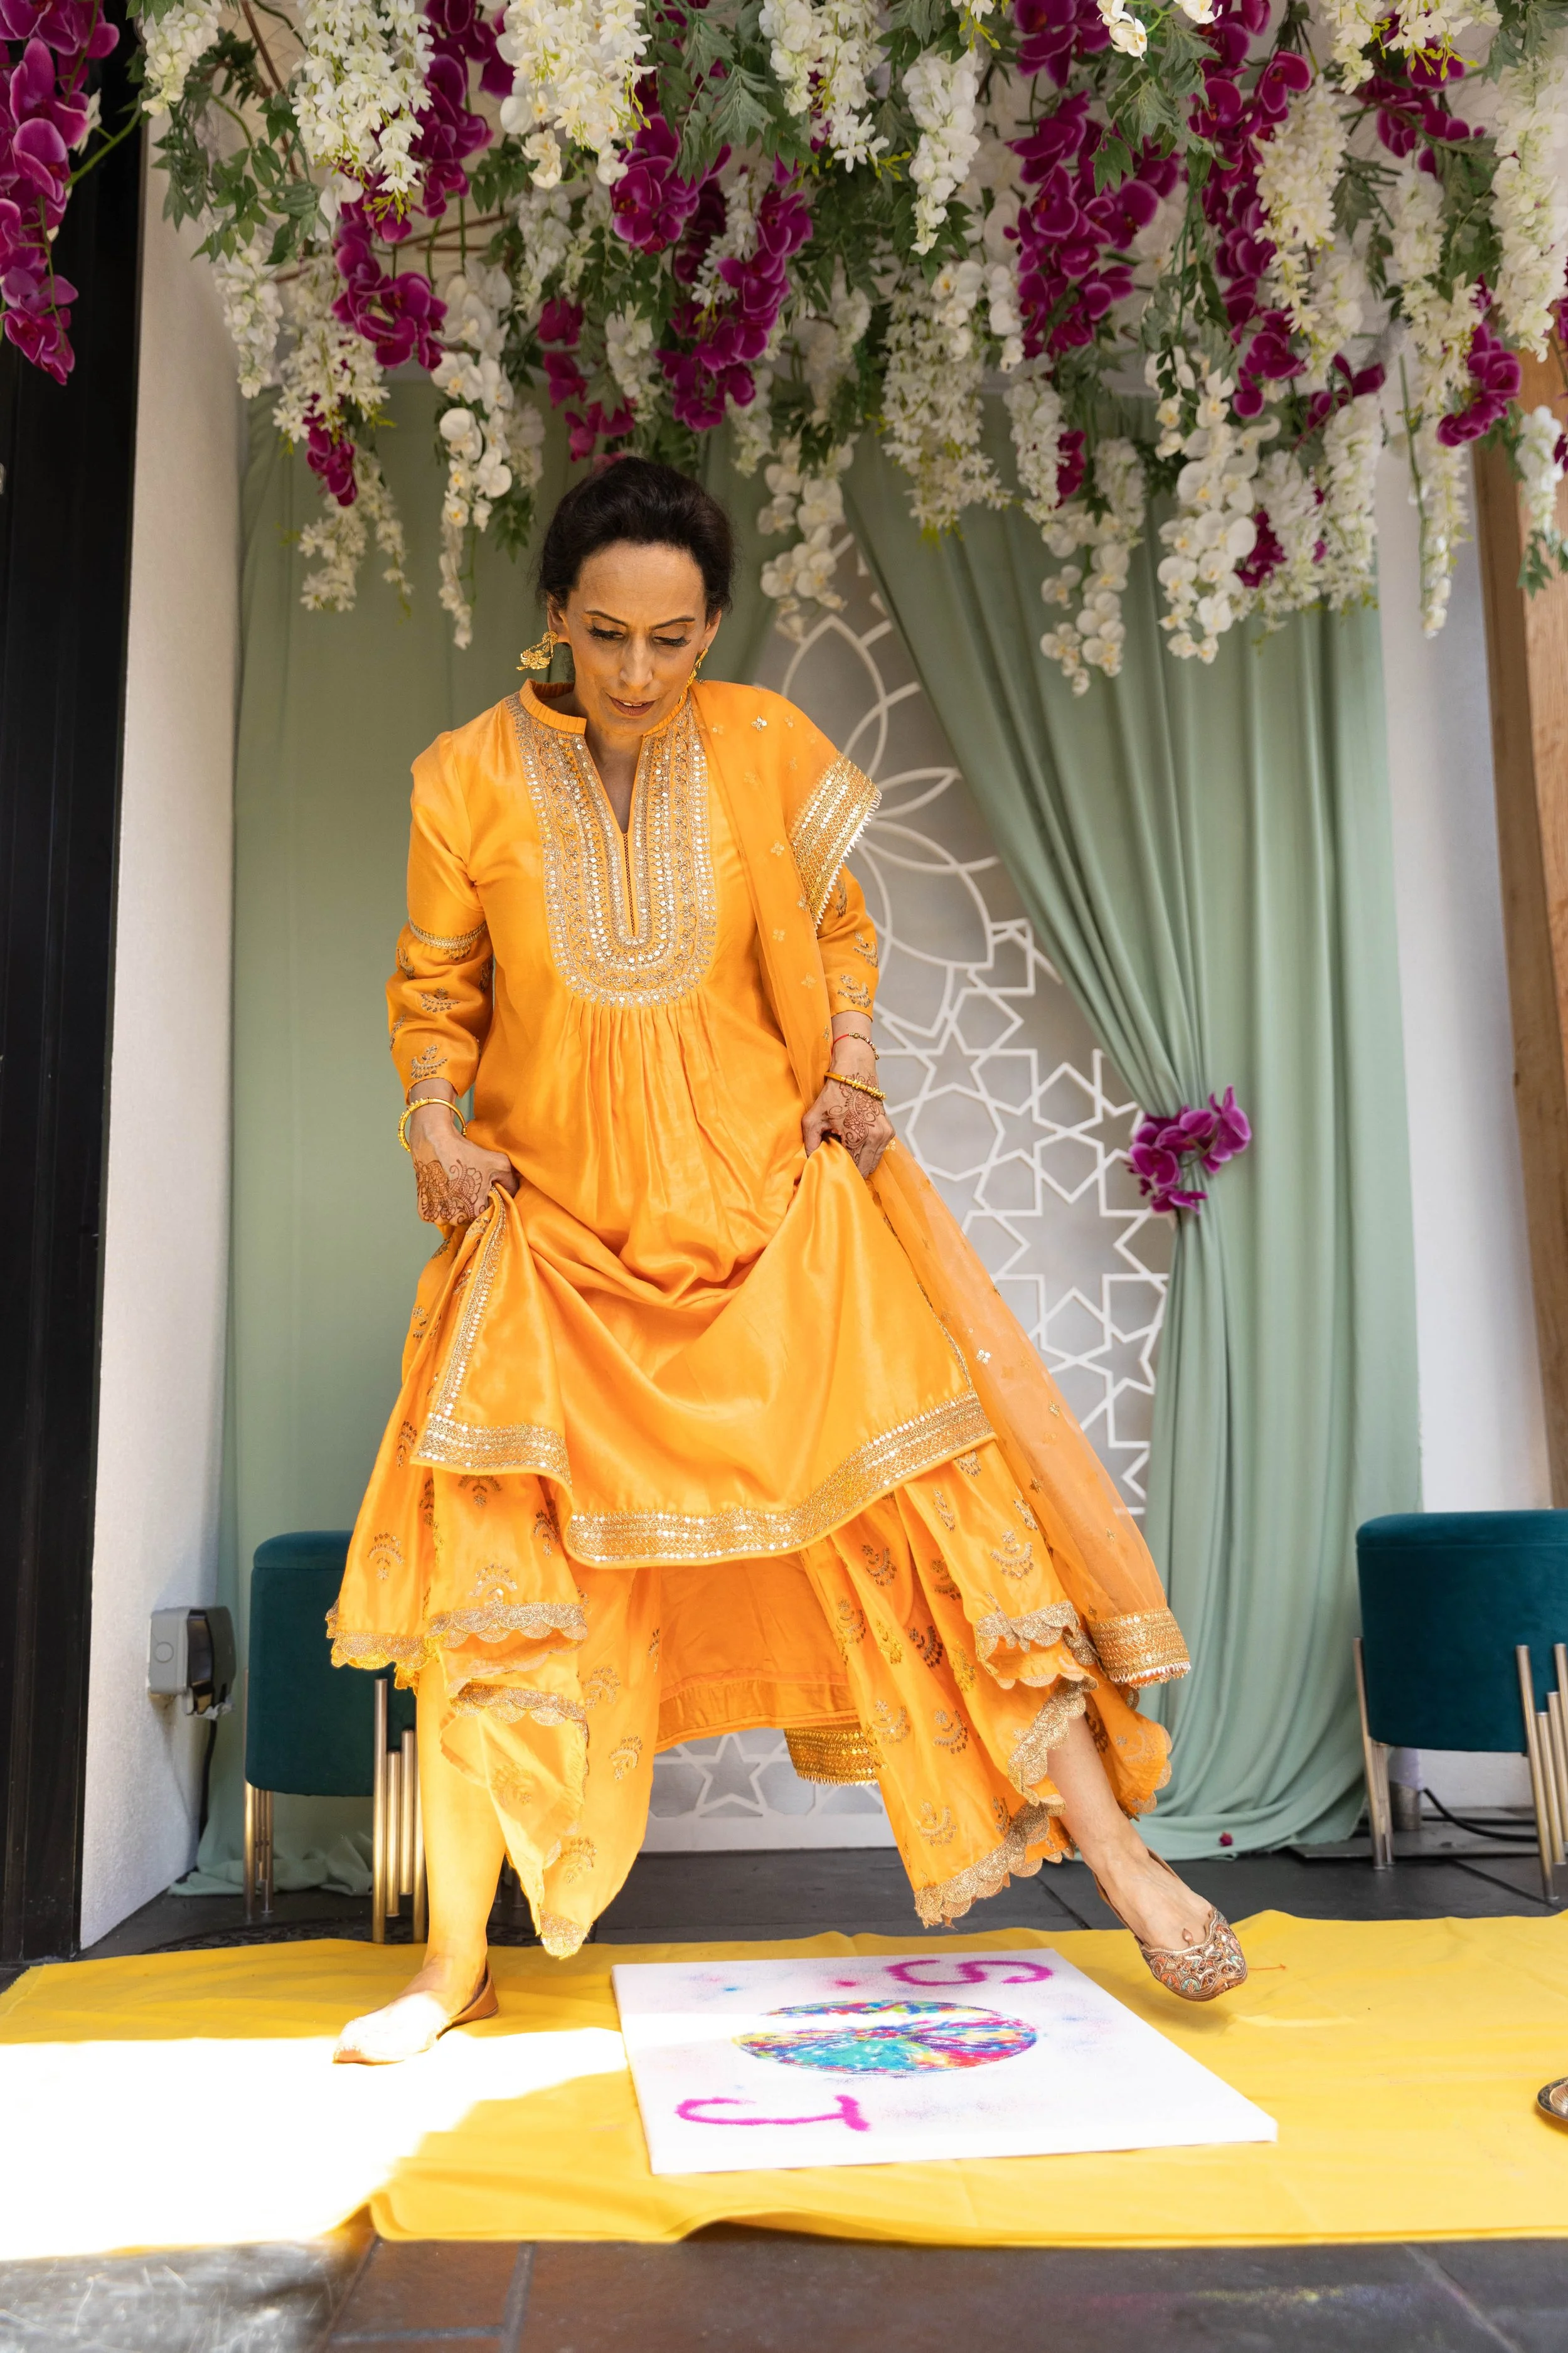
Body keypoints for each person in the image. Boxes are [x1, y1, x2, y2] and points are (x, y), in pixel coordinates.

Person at [330, 457, 1245, 2064]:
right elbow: (435, 986)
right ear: (555, 617)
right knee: (492, 1604)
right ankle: (447, 1965)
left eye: (670, 639)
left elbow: (835, 930)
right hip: (555, 1242)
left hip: (775, 1225)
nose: (633, 674)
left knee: (947, 1551)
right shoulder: (457, 777)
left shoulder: (760, 746)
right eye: (603, 633)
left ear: (707, 630)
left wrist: (852, 1061)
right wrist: (429, 1114)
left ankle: (1122, 1865)